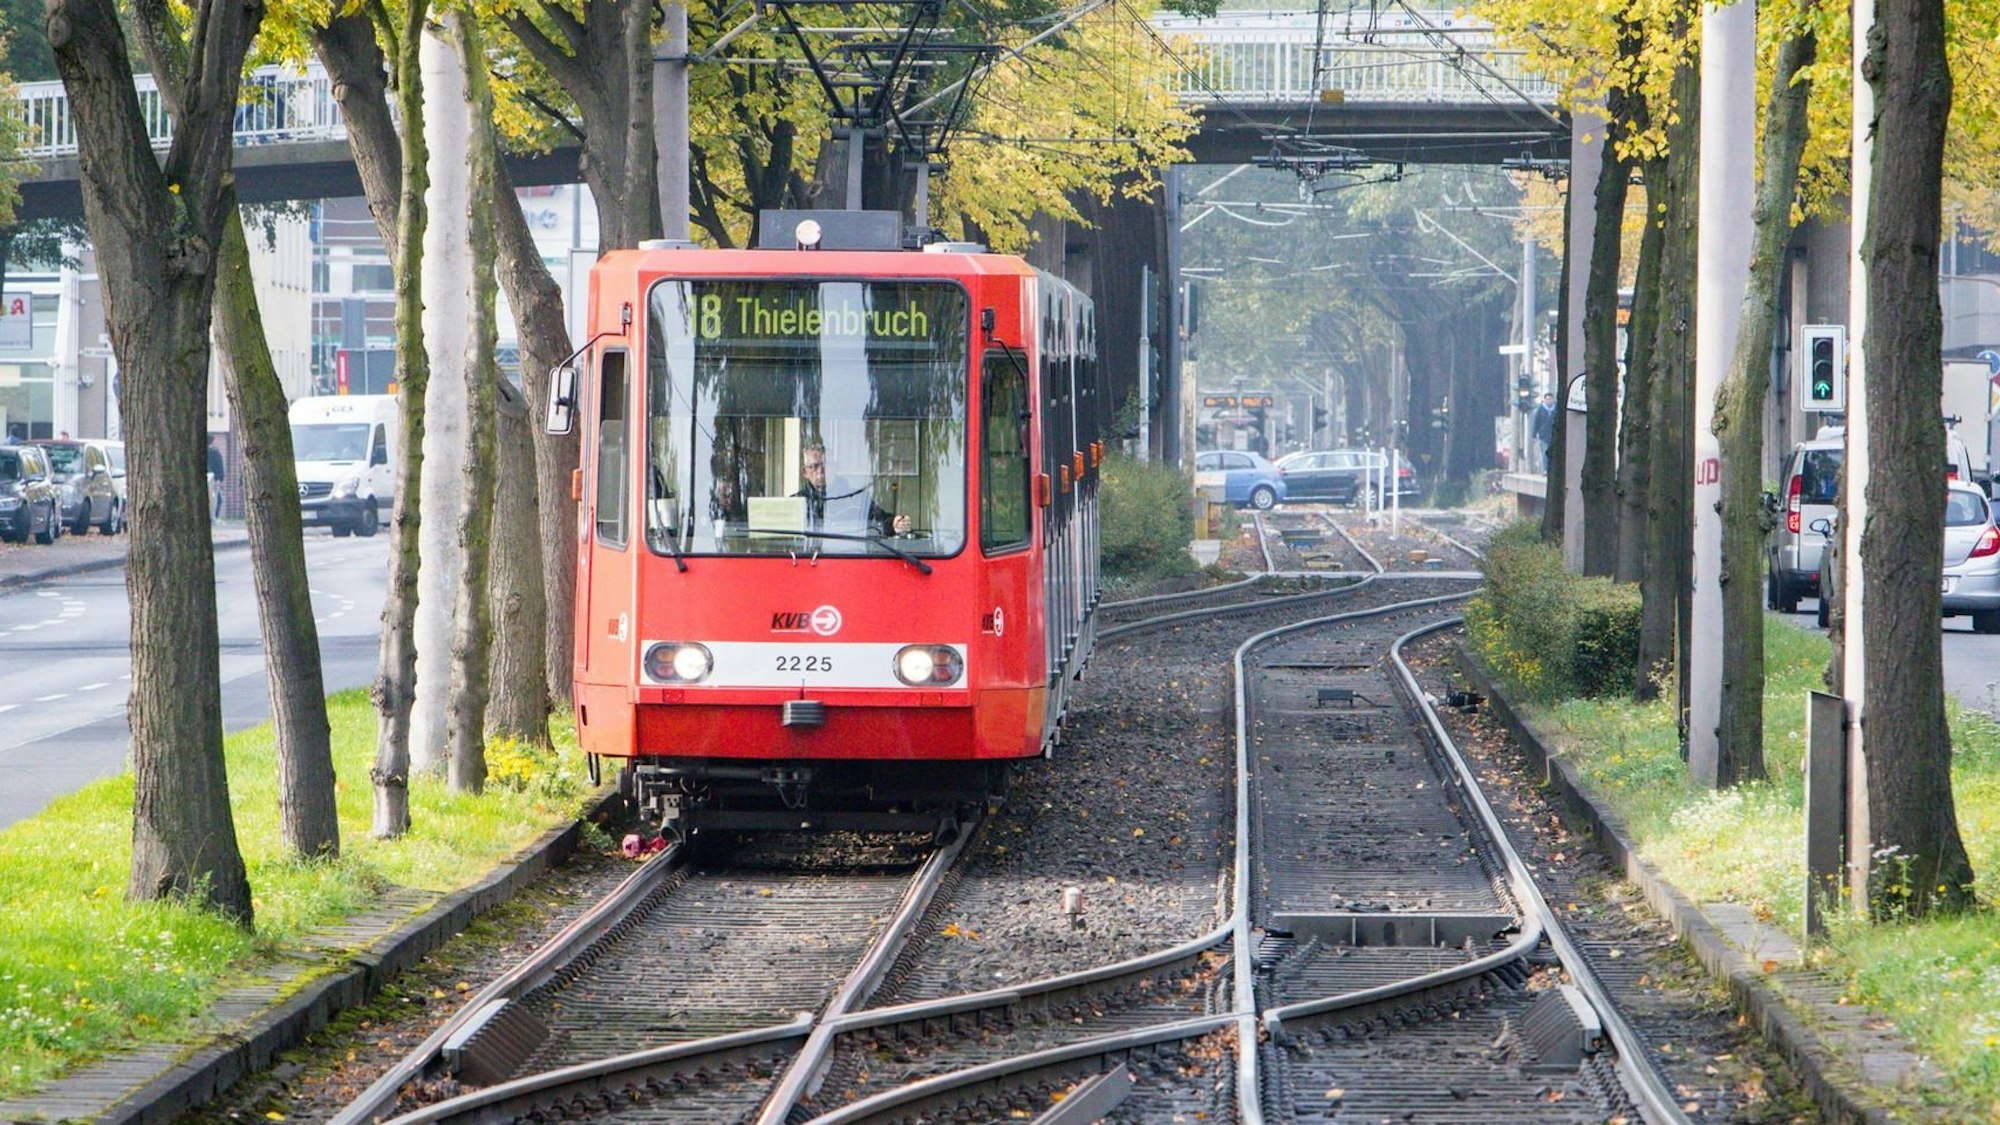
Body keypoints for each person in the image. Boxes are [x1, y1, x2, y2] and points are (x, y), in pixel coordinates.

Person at [797, 444, 911, 536]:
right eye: (814, 466)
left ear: (835, 467)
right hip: (810, 560)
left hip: (850, 558)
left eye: (826, 465)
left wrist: (894, 524)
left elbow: (880, 521)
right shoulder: (796, 503)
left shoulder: (858, 499)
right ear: (804, 472)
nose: (820, 470)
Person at [1531, 392, 1555, 471]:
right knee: (1545, 453)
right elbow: (1536, 422)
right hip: (1543, 436)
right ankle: (1546, 469)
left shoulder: (1556, 409)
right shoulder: (1540, 409)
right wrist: (1534, 435)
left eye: (1550, 399)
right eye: (1547, 399)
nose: (1549, 401)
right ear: (1544, 400)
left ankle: (1552, 470)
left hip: (1554, 436)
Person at [207, 435, 226, 522]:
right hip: (213, 478)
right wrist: (220, 479)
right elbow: (219, 467)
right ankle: (214, 517)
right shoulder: (215, 453)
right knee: (216, 498)